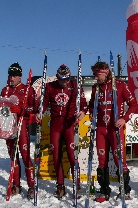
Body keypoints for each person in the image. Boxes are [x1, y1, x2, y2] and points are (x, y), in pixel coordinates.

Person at [89, 61, 138, 203]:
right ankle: (104, 190)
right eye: (94, 75)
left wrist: (124, 119)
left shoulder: (120, 86)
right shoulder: (95, 88)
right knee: (102, 161)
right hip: (101, 129)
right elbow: (92, 105)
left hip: (115, 129)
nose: (95, 77)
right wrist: (91, 112)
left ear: (105, 72)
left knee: (119, 160)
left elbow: (134, 105)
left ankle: (125, 189)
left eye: (97, 75)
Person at [0, 62, 37, 198]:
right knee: (13, 157)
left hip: (22, 126)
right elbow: (1, 105)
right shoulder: (5, 90)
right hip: (7, 128)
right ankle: (16, 184)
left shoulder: (28, 89)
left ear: (20, 76)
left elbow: (34, 108)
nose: (12, 78)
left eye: (15, 76)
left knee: (26, 157)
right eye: (10, 75)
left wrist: (22, 110)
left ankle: (32, 186)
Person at [37, 64, 87, 199]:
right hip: (55, 124)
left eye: (66, 79)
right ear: (57, 77)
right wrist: (40, 112)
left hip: (69, 123)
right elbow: (44, 103)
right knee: (56, 155)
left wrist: (82, 112)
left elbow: (83, 104)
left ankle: (77, 186)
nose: (64, 82)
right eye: (61, 79)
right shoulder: (50, 86)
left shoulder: (76, 86)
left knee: (72, 155)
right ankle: (60, 186)